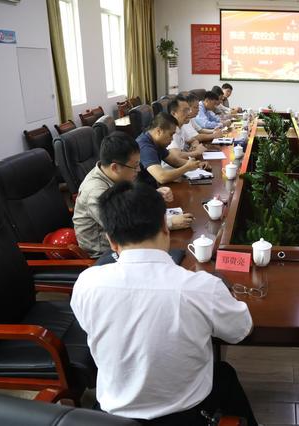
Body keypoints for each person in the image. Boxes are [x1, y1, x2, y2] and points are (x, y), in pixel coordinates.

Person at [71, 181, 257, 425]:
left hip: (113, 417)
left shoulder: (87, 283)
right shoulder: (202, 287)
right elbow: (240, 330)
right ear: (165, 227)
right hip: (188, 416)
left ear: (111, 240)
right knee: (224, 373)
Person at [73, 132, 194, 258]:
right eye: (135, 166)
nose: (138, 170)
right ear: (115, 167)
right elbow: (123, 226)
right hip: (105, 253)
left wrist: (152, 196)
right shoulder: (95, 192)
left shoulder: (111, 173)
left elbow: (126, 202)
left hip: (127, 242)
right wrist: (170, 223)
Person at [136, 112, 209, 186]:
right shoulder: (145, 147)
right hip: (144, 190)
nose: (172, 139)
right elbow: (162, 177)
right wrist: (187, 167)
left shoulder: (157, 142)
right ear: (159, 131)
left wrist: (197, 164)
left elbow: (175, 161)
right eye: (171, 134)